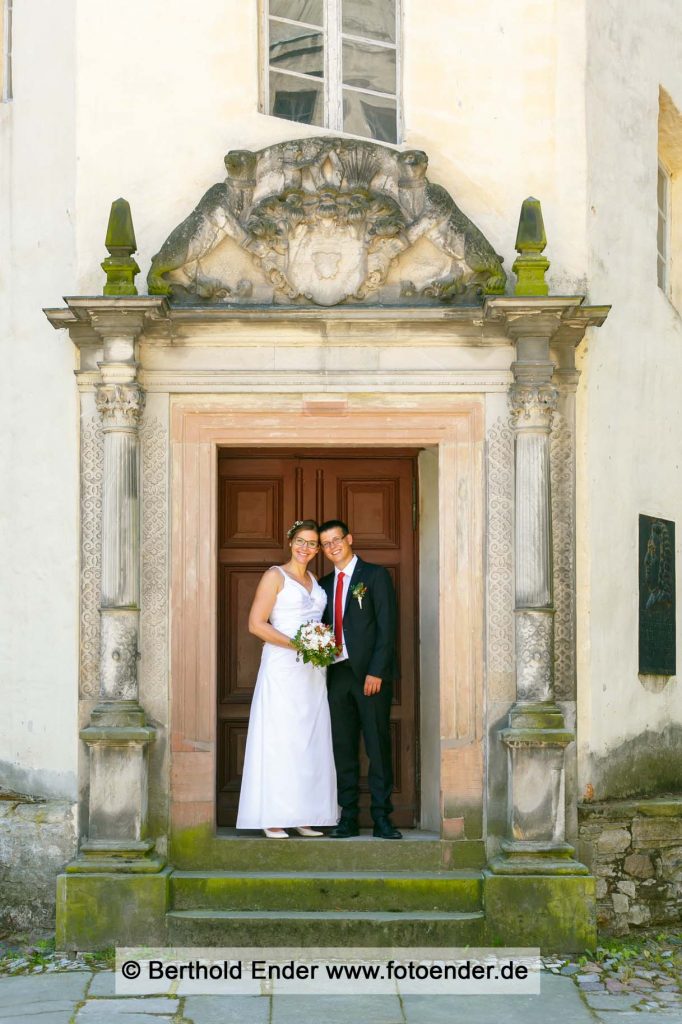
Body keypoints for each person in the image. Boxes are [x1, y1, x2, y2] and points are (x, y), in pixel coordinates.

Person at [236, 520, 338, 838]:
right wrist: (300, 644)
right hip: (282, 667)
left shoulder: (314, 580)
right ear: (290, 541)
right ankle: (273, 815)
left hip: (312, 671)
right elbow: (256, 624)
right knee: (280, 738)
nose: (306, 548)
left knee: (308, 740)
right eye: (301, 542)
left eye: (313, 544)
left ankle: (303, 814)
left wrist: (320, 645)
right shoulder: (274, 576)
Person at [318, 520, 402, 840]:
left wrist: (377, 671)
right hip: (337, 675)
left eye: (336, 540)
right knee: (343, 748)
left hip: (370, 676)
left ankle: (382, 819)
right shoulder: (324, 584)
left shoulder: (375, 576)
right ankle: (348, 817)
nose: (332, 547)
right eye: (326, 544)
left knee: (378, 746)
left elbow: (387, 626)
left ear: (349, 539)